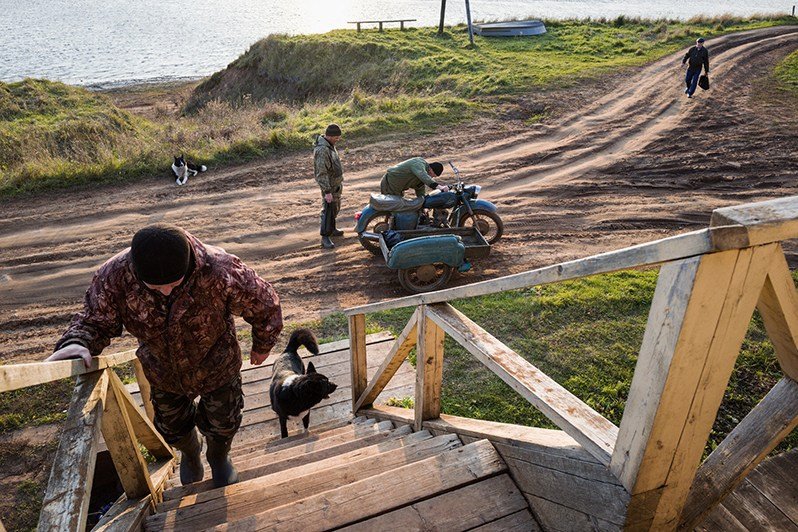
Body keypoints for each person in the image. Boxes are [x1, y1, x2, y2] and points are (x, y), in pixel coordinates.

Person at [45, 223, 283, 488]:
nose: (167, 291)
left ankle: (218, 457)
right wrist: (78, 342)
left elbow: (264, 304)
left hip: (217, 363)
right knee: (171, 428)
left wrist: (263, 344)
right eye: (156, 287)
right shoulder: (114, 276)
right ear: (138, 272)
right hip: (162, 370)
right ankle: (191, 453)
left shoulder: (220, 268)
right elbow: (95, 321)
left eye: (174, 283)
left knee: (224, 422)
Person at [314, 124, 344, 249]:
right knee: (327, 210)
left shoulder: (330, 145)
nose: (338, 140)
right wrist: (327, 191)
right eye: (336, 137)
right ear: (330, 136)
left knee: (335, 208)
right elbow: (321, 173)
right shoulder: (322, 150)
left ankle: (332, 229)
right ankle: (325, 237)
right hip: (329, 186)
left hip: (335, 184)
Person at [379, 157, 448, 198]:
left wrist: (423, 205)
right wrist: (438, 186)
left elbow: (420, 190)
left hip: (397, 191)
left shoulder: (421, 178)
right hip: (388, 185)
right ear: (431, 169)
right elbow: (423, 176)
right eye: (432, 175)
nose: (431, 177)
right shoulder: (419, 163)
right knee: (396, 210)